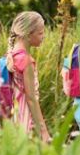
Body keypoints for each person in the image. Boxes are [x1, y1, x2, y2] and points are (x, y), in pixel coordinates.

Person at [7, 11, 51, 142]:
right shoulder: (27, 61)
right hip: (24, 116)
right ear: (28, 34)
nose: (43, 36)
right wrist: (43, 132)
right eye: (40, 33)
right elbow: (31, 99)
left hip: (12, 113)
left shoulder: (12, 55)